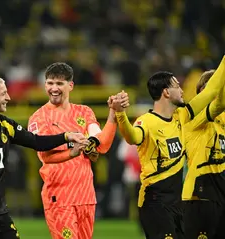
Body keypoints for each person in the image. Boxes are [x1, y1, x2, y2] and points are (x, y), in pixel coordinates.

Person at [0, 76, 88, 239]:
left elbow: (36, 141)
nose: (8, 98)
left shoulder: (6, 125)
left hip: (0, 215)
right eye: (3, 93)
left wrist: (66, 136)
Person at [110, 56, 225, 239]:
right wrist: (120, 114)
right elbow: (132, 137)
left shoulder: (182, 116)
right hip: (155, 201)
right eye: (177, 85)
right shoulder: (147, 121)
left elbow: (211, 92)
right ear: (166, 92)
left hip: (177, 203)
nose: (182, 90)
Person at [27, 62, 122, 239]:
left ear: (70, 86)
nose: (54, 88)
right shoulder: (39, 118)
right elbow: (44, 155)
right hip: (59, 196)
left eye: (59, 83)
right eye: (50, 83)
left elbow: (102, 144)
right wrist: (71, 153)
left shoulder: (84, 112)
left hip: (86, 196)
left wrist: (113, 113)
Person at [182, 69, 225, 239]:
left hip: (220, 194)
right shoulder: (194, 116)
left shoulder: (222, 122)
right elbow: (218, 104)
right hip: (199, 195)